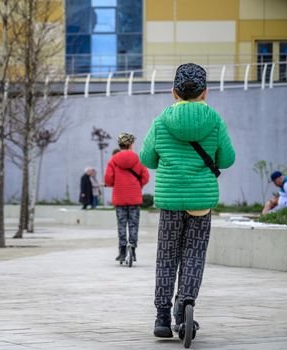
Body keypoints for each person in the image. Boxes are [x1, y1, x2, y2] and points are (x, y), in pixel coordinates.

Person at [139, 63, 236, 338]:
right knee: (194, 254)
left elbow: (147, 159)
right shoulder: (215, 120)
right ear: (205, 93)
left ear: (174, 93)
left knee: (166, 257)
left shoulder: (160, 122)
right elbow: (227, 159)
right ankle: (185, 308)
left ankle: (161, 317)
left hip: (170, 201)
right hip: (201, 201)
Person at [104, 133, 149, 263]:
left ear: (120, 144)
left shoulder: (113, 160)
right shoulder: (138, 158)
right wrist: (137, 186)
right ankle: (133, 250)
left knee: (121, 224)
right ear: (131, 144)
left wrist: (116, 185)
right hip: (134, 197)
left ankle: (122, 251)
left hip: (119, 197)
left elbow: (108, 178)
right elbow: (145, 176)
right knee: (134, 224)